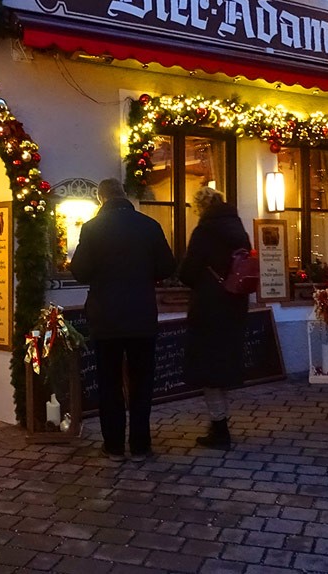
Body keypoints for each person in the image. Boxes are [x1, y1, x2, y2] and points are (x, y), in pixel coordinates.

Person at [70, 178, 176, 461]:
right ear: (123, 196)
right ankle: (141, 445)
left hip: (106, 318)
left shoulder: (92, 229)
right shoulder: (149, 225)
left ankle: (114, 445)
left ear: (100, 198)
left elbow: (79, 270)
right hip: (141, 315)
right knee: (142, 382)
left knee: (109, 382)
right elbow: (167, 266)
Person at [178, 186, 252, 450]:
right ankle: (219, 423)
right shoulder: (239, 229)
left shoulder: (205, 230)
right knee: (223, 364)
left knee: (208, 368)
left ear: (201, 207)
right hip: (235, 304)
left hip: (209, 307)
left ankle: (219, 428)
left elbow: (187, 272)